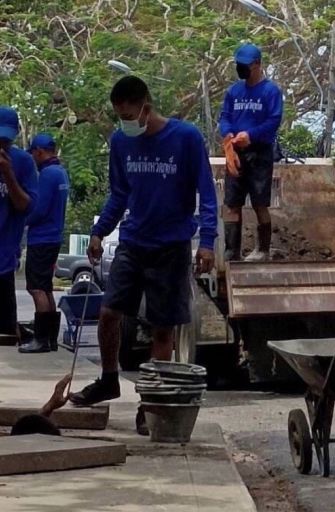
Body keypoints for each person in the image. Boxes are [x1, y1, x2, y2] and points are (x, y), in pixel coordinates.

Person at [69, 77, 217, 433]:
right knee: (108, 314)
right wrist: (99, 231)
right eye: (120, 116)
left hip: (171, 246)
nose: (125, 122)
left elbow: (206, 193)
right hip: (133, 242)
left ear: (146, 108)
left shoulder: (185, 138)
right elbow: (119, 194)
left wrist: (208, 241)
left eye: (130, 115)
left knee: (161, 329)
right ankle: (108, 379)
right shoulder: (121, 142)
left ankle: (150, 402)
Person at [219, 43, 284, 262]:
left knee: (259, 203)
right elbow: (225, 117)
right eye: (239, 65)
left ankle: (263, 249)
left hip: (259, 152)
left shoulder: (270, 91)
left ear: (257, 64)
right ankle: (232, 251)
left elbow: (273, 121)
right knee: (232, 203)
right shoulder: (234, 91)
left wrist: (252, 135)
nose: (241, 69)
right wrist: (228, 135)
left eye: (245, 65)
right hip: (235, 152)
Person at [19, 134, 70, 354]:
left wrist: (21, 220)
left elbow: (39, 209)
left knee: (36, 288)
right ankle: (50, 339)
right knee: (46, 287)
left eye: (33, 153)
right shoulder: (61, 173)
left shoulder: (47, 175)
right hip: (54, 236)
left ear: (39, 151)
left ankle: (41, 339)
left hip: (42, 238)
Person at [0, 107, 38, 338]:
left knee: (4, 336)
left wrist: (8, 173)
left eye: (6, 140)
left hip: (3, 262)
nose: (2, 144)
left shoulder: (23, 162)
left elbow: (27, 206)